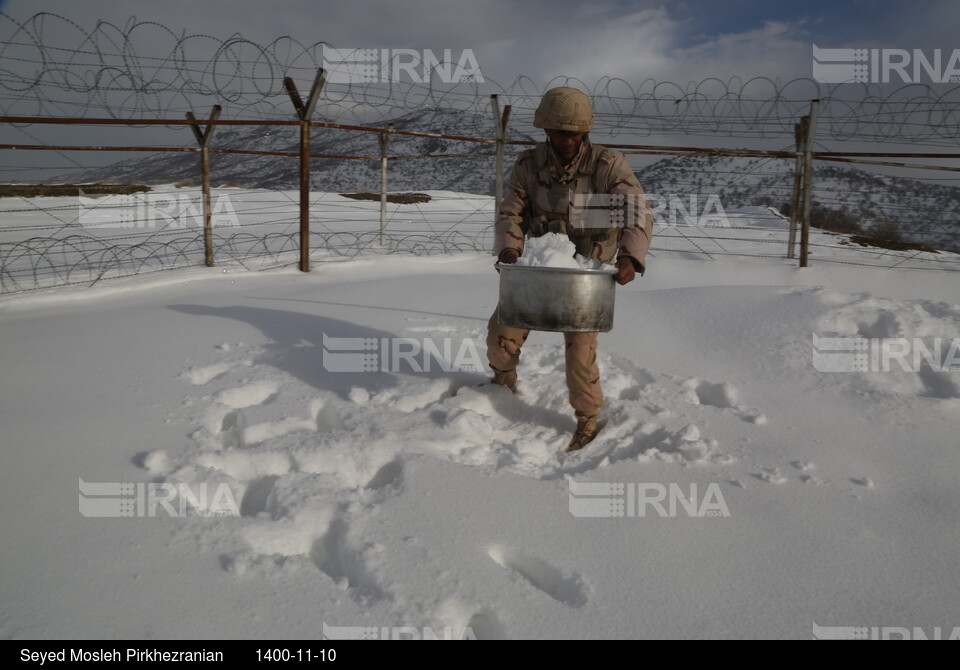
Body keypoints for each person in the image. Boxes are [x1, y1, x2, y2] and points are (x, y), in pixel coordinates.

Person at [486, 86, 654, 452]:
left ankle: (588, 421)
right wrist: (511, 250)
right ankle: (504, 384)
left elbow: (637, 211)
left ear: (586, 132)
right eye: (561, 132)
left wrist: (630, 255)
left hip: (586, 277)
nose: (569, 140)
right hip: (540, 271)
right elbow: (510, 211)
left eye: (576, 133)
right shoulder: (529, 165)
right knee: (500, 336)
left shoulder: (608, 165)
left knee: (580, 354)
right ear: (547, 130)